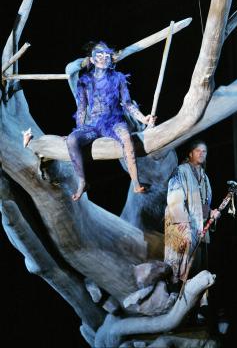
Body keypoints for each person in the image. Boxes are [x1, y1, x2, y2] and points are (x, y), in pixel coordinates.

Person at [66, 41, 155, 201]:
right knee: (72, 140)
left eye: (106, 55)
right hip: (92, 125)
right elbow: (82, 109)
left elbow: (127, 104)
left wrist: (143, 118)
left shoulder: (118, 79)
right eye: (98, 55)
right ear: (92, 60)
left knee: (127, 138)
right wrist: (79, 129)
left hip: (115, 122)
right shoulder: (84, 81)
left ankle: (135, 182)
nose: (103, 58)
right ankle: (82, 182)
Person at [164, 140, 220, 287]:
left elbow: (204, 204)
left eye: (204, 151)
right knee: (179, 269)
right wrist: (182, 221)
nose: (202, 154)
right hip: (183, 228)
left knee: (197, 269)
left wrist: (212, 214)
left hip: (200, 229)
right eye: (198, 151)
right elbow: (174, 196)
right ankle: (175, 297)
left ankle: (197, 306)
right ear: (190, 153)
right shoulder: (181, 171)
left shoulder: (205, 178)